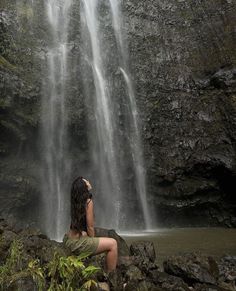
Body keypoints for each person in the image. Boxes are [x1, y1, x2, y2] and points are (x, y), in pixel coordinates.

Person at [63, 176, 117, 272]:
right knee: (113, 244)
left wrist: (84, 234)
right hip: (78, 244)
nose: (88, 181)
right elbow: (90, 227)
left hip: (68, 240)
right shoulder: (88, 202)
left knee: (97, 239)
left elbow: (77, 224)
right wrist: (92, 242)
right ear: (83, 187)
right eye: (86, 181)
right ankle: (112, 277)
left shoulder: (76, 201)